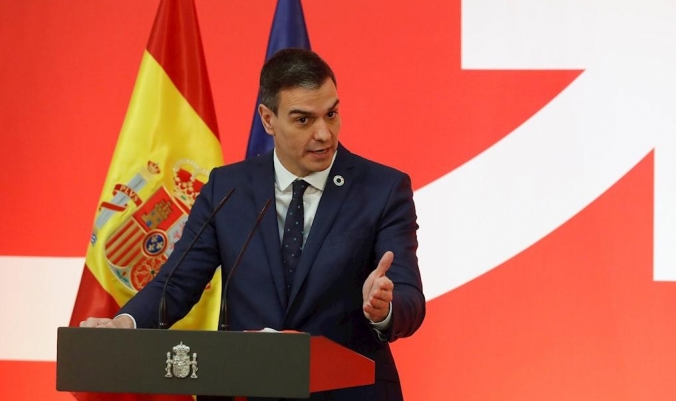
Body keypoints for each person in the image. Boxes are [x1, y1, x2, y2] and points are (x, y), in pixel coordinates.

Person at [81, 48, 426, 400]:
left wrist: (385, 308)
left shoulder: (382, 189)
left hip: (349, 391)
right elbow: (178, 282)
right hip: (246, 389)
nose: (324, 133)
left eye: (332, 114)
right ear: (267, 119)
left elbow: (410, 298)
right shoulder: (227, 189)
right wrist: (124, 324)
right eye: (303, 120)